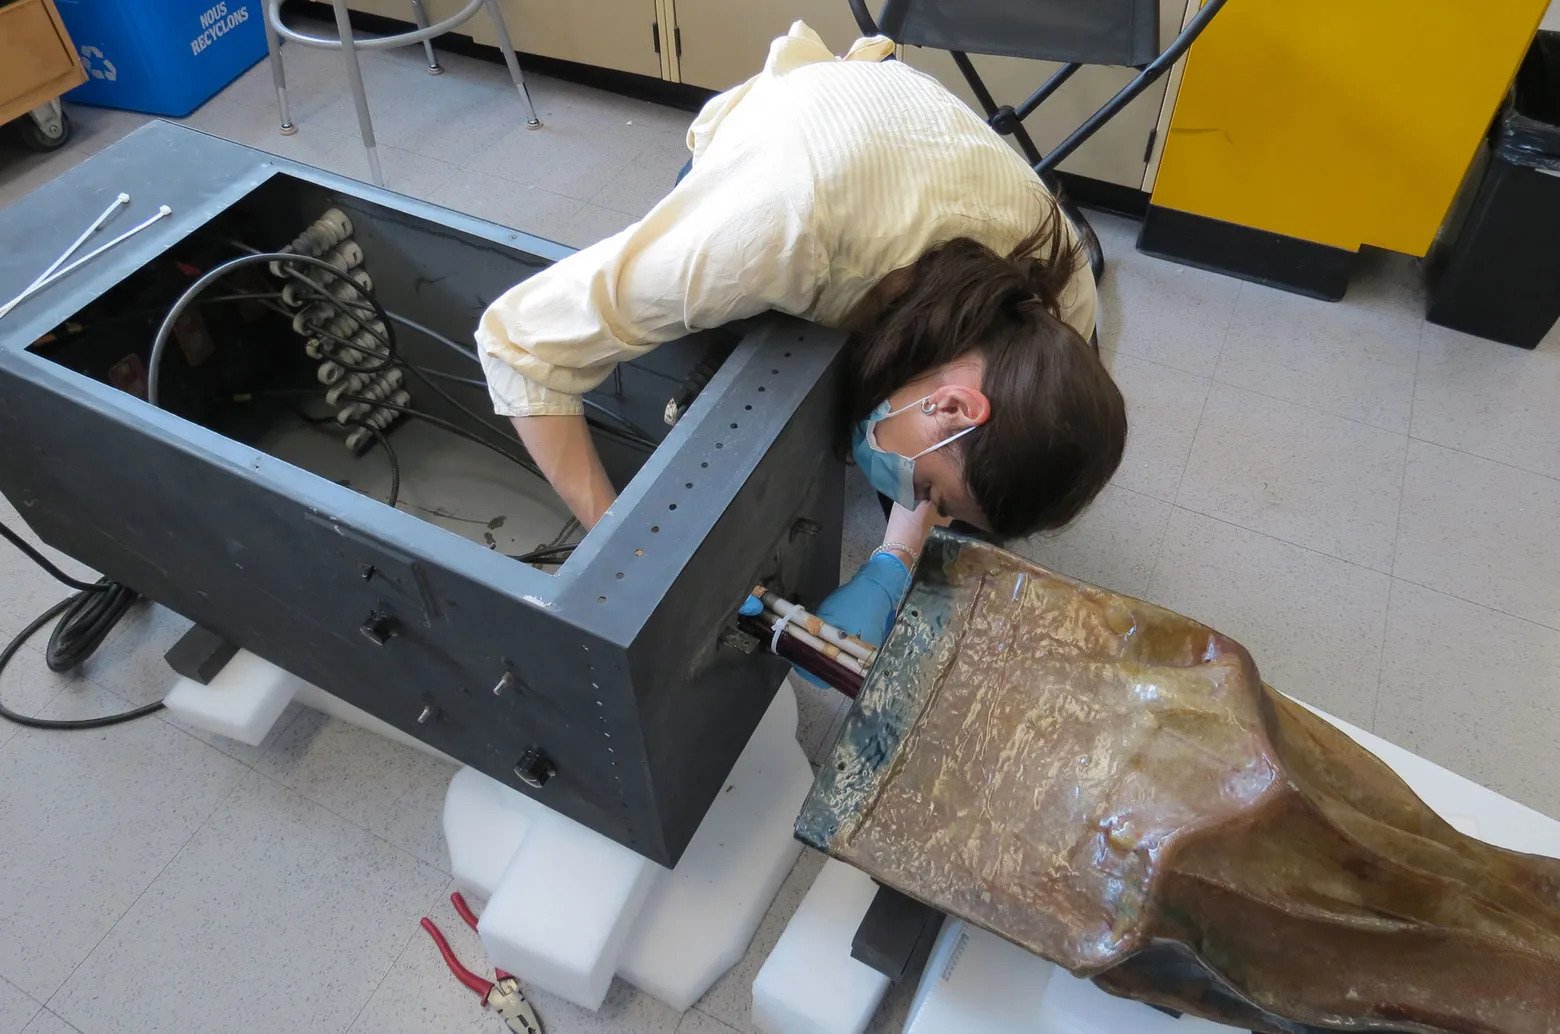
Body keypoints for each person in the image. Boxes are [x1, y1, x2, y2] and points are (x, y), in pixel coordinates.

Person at [477, 22, 1127, 657]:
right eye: (929, 493)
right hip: (802, 146)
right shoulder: (773, 232)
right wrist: (629, 551)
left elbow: (952, 448)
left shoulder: (1062, 298)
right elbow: (519, 345)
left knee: (938, 480)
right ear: (952, 407)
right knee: (772, 350)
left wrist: (893, 561)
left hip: (901, 163)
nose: (919, 501)